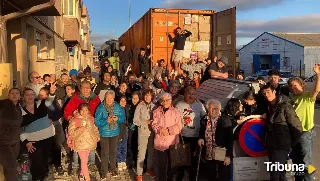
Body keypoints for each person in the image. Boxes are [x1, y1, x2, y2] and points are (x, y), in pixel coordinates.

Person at [261, 83, 302, 181]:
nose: (266, 95)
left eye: (268, 92)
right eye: (264, 93)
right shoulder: (267, 107)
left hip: (282, 145)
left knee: (274, 173)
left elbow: (296, 126)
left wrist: (290, 143)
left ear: (274, 92)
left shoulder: (285, 106)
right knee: (280, 173)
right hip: (272, 145)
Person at [288, 64, 320, 181]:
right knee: (296, 160)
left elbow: (317, 89)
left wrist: (318, 74)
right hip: (294, 134)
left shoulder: (308, 97)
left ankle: (309, 179)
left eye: (295, 86)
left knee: (307, 162)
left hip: (306, 134)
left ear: (302, 85)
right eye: (291, 87)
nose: (293, 88)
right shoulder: (291, 99)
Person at [64, 81, 101, 174]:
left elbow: (99, 110)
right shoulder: (75, 97)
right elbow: (67, 110)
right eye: (83, 88)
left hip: (90, 125)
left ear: (90, 88)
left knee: (91, 147)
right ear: (80, 88)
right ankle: (75, 166)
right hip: (79, 127)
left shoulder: (95, 98)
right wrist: (71, 118)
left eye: (87, 88)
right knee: (77, 147)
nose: (85, 90)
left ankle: (91, 164)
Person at [21, 87, 56, 181]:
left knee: (45, 161)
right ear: (23, 97)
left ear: (34, 96)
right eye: (27, 95)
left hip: (48, 138)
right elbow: (20, 130)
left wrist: (52, 92)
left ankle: (42, 177)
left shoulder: (41, 104)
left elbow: (50, 100)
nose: (30, 96)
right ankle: (36, 178)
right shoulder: (21, 112)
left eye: (31, 94)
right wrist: (26, 142)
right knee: (36, 162)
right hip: (33, 141)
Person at [175, 86, 206, 181]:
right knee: (182, 160)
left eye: (193, 94)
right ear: (184, 94)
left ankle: (192, 178)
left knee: (194, 161)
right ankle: (179, 177)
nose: (191, 96)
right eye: (189, 93)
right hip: (183, 136)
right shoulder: (179, 105)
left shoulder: (199, 105)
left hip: (196, 137)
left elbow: (205, 118)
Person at [198, 99, 233, 180]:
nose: (214, 110)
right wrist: (201, 138)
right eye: (211, 108)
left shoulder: (225, 119)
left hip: (221, 151)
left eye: (216, 108)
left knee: (223, 174)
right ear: (207, 108)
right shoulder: (204, 119)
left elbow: (230, 139)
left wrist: (228, 156)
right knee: (210, 173)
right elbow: (201, 132)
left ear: (220, 109)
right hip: (209, 150)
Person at [95, 90, 125, 179]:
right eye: (107, 98)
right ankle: (103, 172)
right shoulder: (101, 107)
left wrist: (118, 118)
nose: (109, 100)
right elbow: (96, 121)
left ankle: (112, 169)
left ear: (113, 98)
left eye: (111, 98)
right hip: (104, 133)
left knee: (113, 152)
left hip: (115, 132)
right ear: (105, 98)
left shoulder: (118, 107)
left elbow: (123, 118)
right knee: (104, 153)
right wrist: (106, 121)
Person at [152, 93, 182, 181]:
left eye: (168, 100)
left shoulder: (176, 112)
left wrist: (168, 130)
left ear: (171, 101)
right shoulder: (156, 111)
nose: (165, 102)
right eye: (163, 100)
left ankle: (170, 179)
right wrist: (160, 129)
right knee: (161, 165)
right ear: (161, 102)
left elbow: (179, 127)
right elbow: (154, 124)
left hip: (172, 142)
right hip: (160, 143)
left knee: (172, 165)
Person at [68, 103, 100, 181]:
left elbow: (95, 129)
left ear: (89, 111)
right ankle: (87, 178)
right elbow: (71, 133)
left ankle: (82, 175)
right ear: (79, 111)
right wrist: (79, 129)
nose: (84, 112)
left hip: (89, 143)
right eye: (82, 110)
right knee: (84, 161)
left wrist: (97, 135)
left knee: (85, 161)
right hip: (80, 144)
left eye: (86, 110)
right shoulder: (75, 120)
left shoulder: (91, 118)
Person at [134, 89, 156, 181]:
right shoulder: (140, 106)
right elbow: (135, 121)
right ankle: (139, 173)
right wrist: (145, 122)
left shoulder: (155, 106)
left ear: (152, 96)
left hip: (152, 132)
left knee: (151, 152)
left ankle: (149, 169)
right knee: (141, 153)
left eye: (149, 95)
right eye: (146, 95)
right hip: (143, 132)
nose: (147, 97)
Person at [0, 88, 22, 181]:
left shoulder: (18, 108)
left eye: (17, 93)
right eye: (12, 93)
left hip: (15, 142)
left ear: (20, 96)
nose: (14, 95)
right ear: (8, 95)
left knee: (9, 168)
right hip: (3, 142)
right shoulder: (3, 104)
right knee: (11, 167)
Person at [117, 96, 129, 171]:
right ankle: (119, 161)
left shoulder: (126, 108)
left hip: (125, 129)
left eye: (124, 101)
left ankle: (123, 160)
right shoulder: (117, 110)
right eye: (121, 101)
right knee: (118, 146)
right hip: (119, 129)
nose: (123, 102)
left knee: (124, 146)